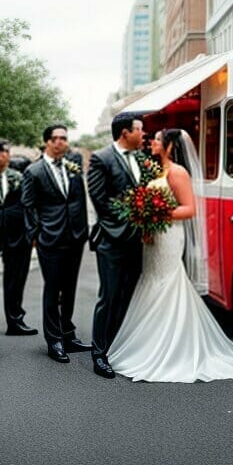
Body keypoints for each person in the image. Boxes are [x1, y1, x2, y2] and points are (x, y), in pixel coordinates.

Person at [108, 128, 233, 382]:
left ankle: (172, 348)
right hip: (154, 236)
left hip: (170, 236)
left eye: (158, 139)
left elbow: (189, 209)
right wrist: (146, 222)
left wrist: (155, 214)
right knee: (152, 280)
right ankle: (151, 344)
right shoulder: (156, 170)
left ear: (170, 146)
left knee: (168, 282)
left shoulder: (177, 172)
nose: (152, 141)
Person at [21, 124, 90, 363]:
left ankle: (68, 334)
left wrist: (83, 229)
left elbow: (79, 199)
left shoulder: (72, 166)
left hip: (75, 237)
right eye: (57, 138)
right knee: (53, 289)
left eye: (64, 138)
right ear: (48, 142)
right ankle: (54, 341)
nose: (62, 142)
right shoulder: (34, 171)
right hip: (49, 238)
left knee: (70, 288)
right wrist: (36, 235)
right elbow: (28, 206)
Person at [86, 112, 145, 379]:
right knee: (108, 298)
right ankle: (99, 353)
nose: (143, 135)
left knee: (126, 296)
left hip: (137, 241)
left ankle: (116, 347)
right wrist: (130, 218)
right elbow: (100, 200)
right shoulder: (101, 158)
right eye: (139, 130)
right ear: (125, 133)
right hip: (111, 240)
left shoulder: (142, 159)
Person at [0, 139, 37, 337]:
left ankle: (15, 321)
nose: (8, 155)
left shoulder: (18, 177)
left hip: (17, 233)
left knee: (16, 278)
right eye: (5, 152)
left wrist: (31, 232)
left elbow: (29, 204)